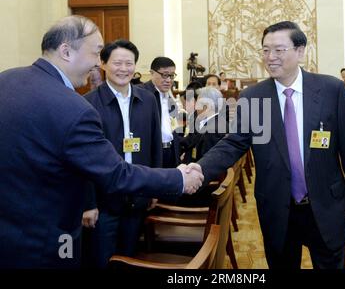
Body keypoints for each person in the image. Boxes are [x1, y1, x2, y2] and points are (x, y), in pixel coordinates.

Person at [0, 15, 203, 268]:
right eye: (96, 54)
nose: (97, 64)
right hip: (46, 241)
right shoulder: (75, 107)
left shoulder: (6, 80)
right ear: (66, 51)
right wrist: (179, 178)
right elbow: (115, 174)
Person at [190, 21, 345, 269]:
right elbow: (234, 143)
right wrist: (200, 168)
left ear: (300, 51)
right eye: (265, 50)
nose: (270, 57)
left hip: (327, 204)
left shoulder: (331, 89)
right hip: (277, 206)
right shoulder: (253, 96)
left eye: (279, 50)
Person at [81, 39, 162, 268]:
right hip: (104, 201)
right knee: (101, 259)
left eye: (129, 63)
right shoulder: (88, 104)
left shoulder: (147, 99)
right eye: (118, 63)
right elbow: (82, 159)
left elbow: (154, 145)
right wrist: (88, 203)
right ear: (103, 64)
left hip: (137, 197)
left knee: (129, 258)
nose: (124, 69)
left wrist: (154, 186)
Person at [140, 57, 180, 168]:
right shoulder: (141, 94)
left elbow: (174, 126)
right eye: (164, 75)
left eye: (172, 76)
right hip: (152, 153)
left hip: (171, 152)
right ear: (152, 73)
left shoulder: (169, 96)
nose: (169, 80)